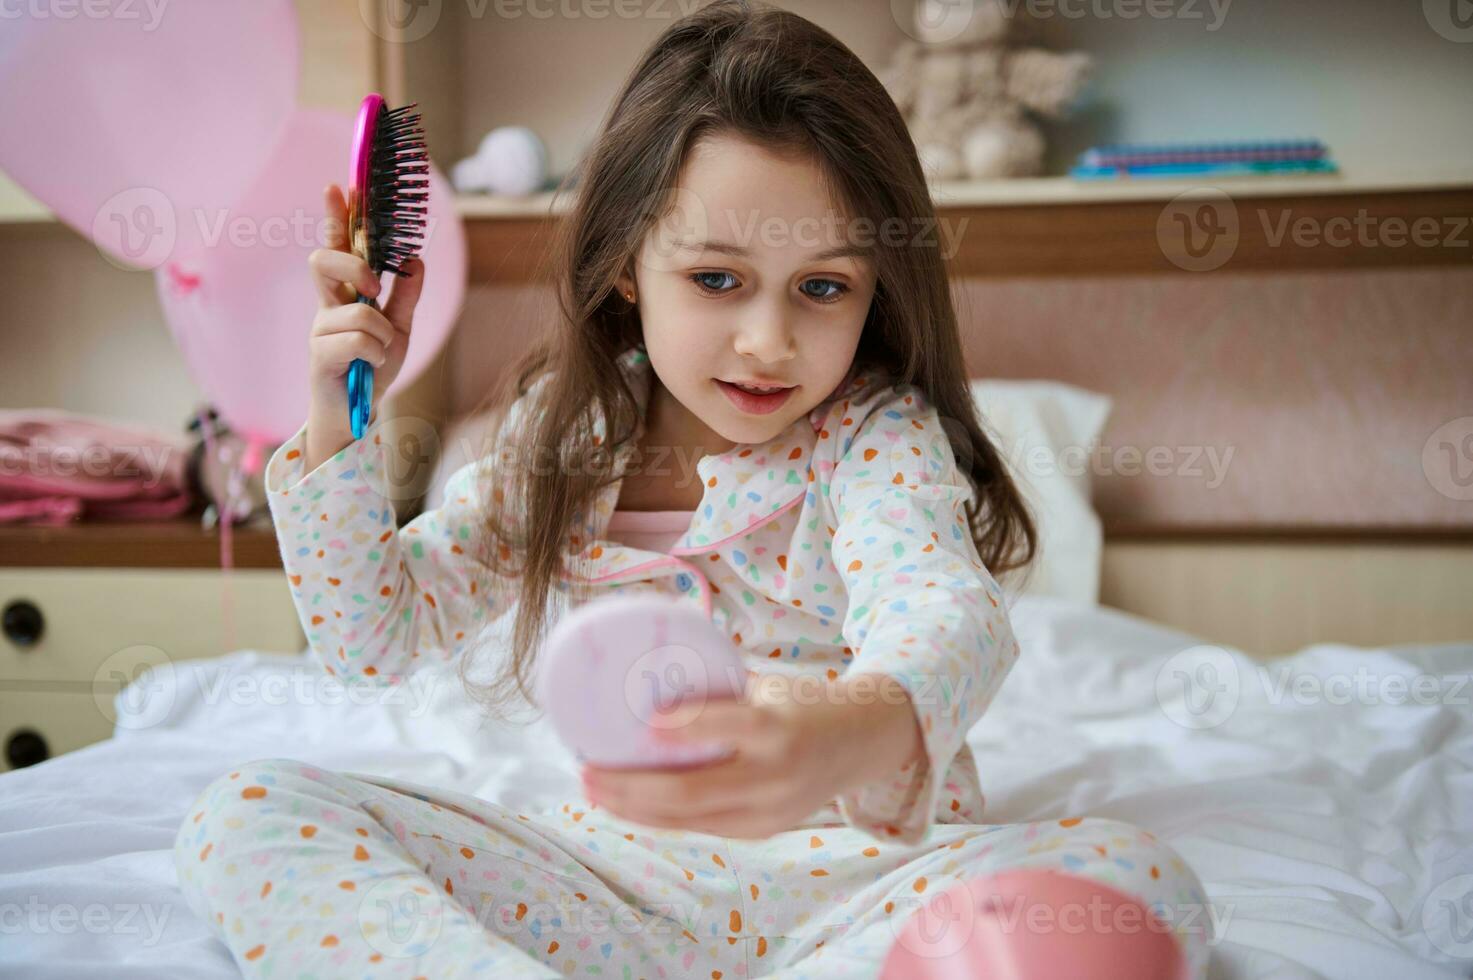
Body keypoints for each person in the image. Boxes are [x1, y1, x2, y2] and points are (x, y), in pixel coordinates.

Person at [173, 2, 1212, 976]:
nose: (767, 341)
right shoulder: (557, 443)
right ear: (627, 263)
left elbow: (943, 608)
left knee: (1138, 875)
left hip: (871, 883)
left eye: (823, 286)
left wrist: (838, 730)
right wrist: (336, 411)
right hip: (618, 887)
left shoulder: (875, 437)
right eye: (716, 279)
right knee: (248, 809)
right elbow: (368, 641)